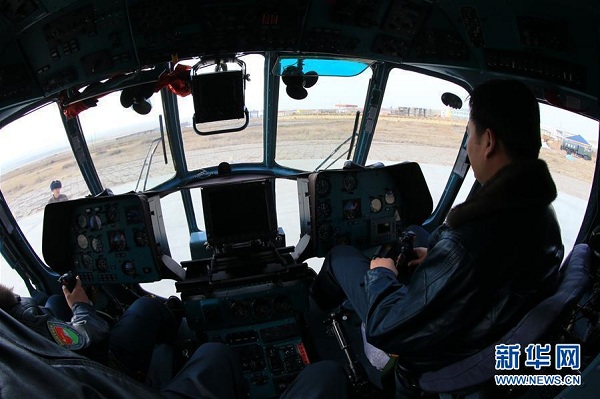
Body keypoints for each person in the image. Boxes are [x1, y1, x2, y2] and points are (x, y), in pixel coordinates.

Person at [310, 79, 564, 393]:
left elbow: (386, 326)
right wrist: (436, 259)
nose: (468, 147)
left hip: (428, 360)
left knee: (341, 256)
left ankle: (310, 314)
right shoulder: (542, 215)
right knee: (416, 233)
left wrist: (381, 276)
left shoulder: (468, 243)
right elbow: (493, 269)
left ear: (488, 141)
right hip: (479, 328)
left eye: (469, 133)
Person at [0, 279, 350, 398]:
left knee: (212, 351)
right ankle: (170, 315)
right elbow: (85, 339)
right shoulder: (17, 319)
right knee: (328, 373)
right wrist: (82, 309)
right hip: (103, 371)